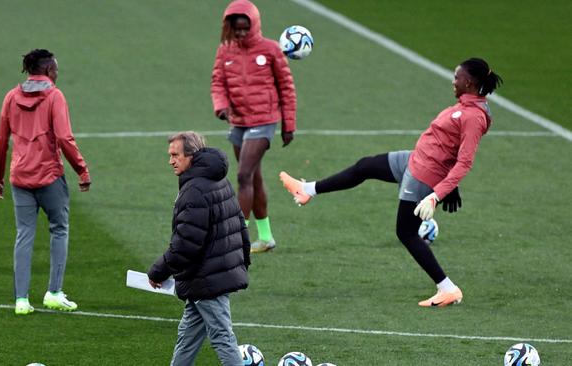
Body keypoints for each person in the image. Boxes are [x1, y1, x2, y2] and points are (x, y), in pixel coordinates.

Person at [280, 58, 502, 307]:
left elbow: (464, 162)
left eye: (457, 77)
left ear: (469, 82)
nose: (453, 81)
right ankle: (307, 189)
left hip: (423, 176)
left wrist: (435, 195)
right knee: (365, 166)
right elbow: (450, 148)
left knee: (405, 232)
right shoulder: (465, 106)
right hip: (414, 160)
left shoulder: (473, 117)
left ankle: (447, 288)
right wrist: (451, 187)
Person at [0, 49, 91, 315]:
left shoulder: (11, 97)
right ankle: (54, 293)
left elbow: (1, 141)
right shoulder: (54, 96)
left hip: (20, 178)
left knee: (24, 234)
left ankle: (21, 300)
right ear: (48, 71)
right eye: (55, 69)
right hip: (49, 177)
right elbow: (65, 138)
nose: (57, 73)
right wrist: (82, 170)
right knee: (59, 229)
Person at [148, 131, 250, 366]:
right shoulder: (218, 178)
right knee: (187, 338)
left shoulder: (194, 189)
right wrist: (242, 261)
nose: (171, 161)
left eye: (175, 155)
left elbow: (186, 244)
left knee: (222, 338)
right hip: (211, 274)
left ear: (191, 156)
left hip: (208, 278)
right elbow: (239, 222)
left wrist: (158, 271)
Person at [211, 0, 297, 253]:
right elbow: (218, 82)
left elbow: (286, 89)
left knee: (242, 175)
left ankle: (235, 238)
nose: (239, 33)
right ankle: (266, 237)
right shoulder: (225, 51)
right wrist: (221, 106)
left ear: (254, 25)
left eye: (243, 28)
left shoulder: (271, 50)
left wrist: (288, 125)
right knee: (254, 177)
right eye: (235, 28)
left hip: (264, 121)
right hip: (238, 122)